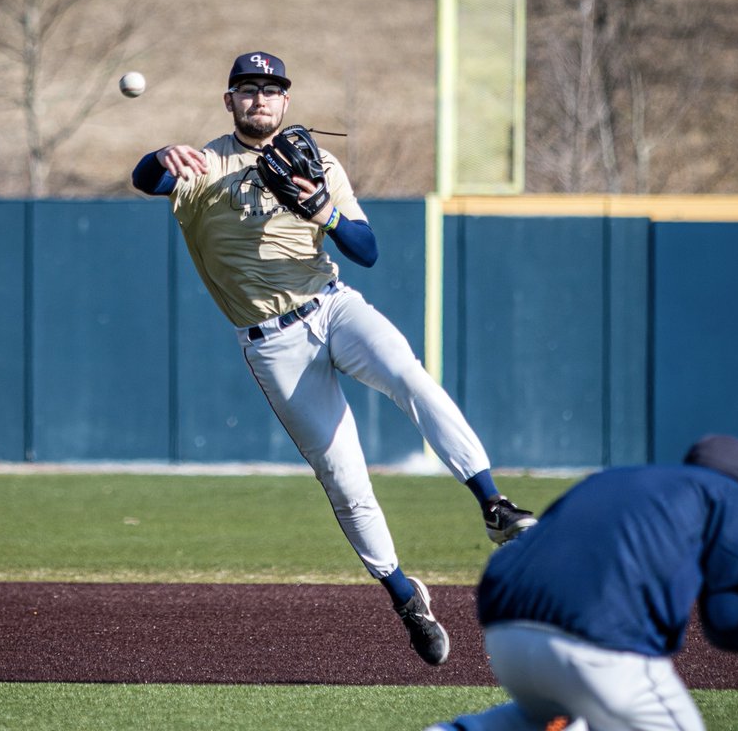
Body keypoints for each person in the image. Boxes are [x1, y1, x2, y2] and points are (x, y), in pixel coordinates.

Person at [131, 50, 538, 666]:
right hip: (272, 341)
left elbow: (367, 251)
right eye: (247, 88)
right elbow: (146, 180)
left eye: (271, 89)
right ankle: (405, 597)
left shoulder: (318, 162)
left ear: (287, 101)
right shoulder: (203, 164)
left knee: (410, 377)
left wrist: (324, 209)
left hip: (333, 305)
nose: (260, 99)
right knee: (344, 478)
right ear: (229, 100)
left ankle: (493, 505)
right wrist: (160, 154)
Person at [425, 433, 738, 731]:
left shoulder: (612, 478)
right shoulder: (732, 495)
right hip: (599, 647)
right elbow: (724, 620)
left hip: (505, 631)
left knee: (548, 718)